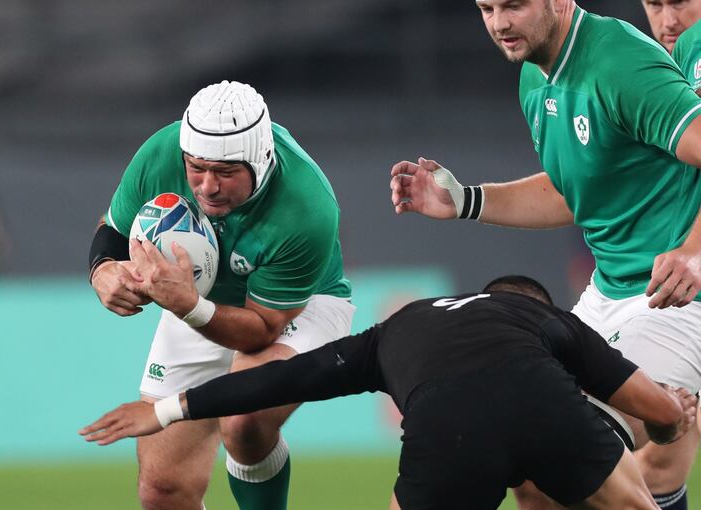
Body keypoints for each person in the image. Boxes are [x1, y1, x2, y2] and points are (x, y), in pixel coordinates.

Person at [389, 1, 701, 509]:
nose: (499, 23)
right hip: (609, 294)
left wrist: (694, 250)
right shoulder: (535, 77)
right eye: (487, 8)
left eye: (514, 4)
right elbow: (570, 191)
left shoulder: (619, 62)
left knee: (561, 459)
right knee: (531, 477)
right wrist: (467, 200)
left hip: (676, 302)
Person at [80, 275, 698, 510]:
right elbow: (653, 405)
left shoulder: (394, 329)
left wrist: (167, 408)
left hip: (448, 430)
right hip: (547, 408)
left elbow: (280, 377)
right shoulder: (550, 323)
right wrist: (674, 422)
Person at [88, 80, 353, 510]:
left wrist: (189, 307)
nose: (207, 186)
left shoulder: (306, 206)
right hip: (197, 298)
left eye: (226, 172)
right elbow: (115, 229)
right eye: (197, 168)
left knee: (244, 421)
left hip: (298, 307)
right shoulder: (161, 151)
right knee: (162, 490)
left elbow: (261, 331)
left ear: (261, 161)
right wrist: (102, 270)